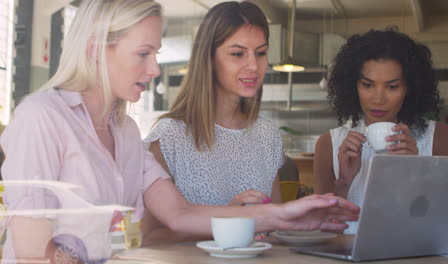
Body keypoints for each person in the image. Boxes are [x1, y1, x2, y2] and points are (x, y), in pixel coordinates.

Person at [0, 0, 359, 263]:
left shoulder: (124, 131)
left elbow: (181, 213)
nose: (155, 68)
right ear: (95, 49)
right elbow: (33, 254)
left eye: (155, 52)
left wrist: (288, 215)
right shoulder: (41, 117)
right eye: (143, 53)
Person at [141, 1, 283, 244]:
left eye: (260, 53)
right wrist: (227, 221)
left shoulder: (268, 136)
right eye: (238, 54)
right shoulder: (170, 136)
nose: (253, 66)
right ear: (208, 58)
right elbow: (150, 237)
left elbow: (276, 227)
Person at [314, 27, 448, 234]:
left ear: (410, 88)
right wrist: (343, 182)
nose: (378, 99)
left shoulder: (439, 137)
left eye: (392, 87)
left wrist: (416, 172)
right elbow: (321, 230)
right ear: (353, 86)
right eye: (368, 85)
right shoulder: (329, 143)